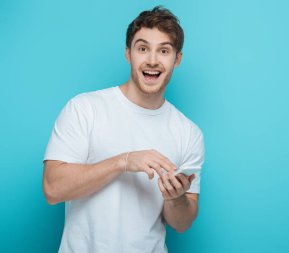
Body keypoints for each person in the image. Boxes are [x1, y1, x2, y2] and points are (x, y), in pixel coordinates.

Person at [42, 6, 204, 253]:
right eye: (142, 48)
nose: (152, 60)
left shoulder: (188, 133)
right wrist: (124, 162)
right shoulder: (85, 108)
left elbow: (182, 223)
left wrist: (176, 198)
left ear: (177, 59)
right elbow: (53, 189)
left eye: (163, 50)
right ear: (128, 54)